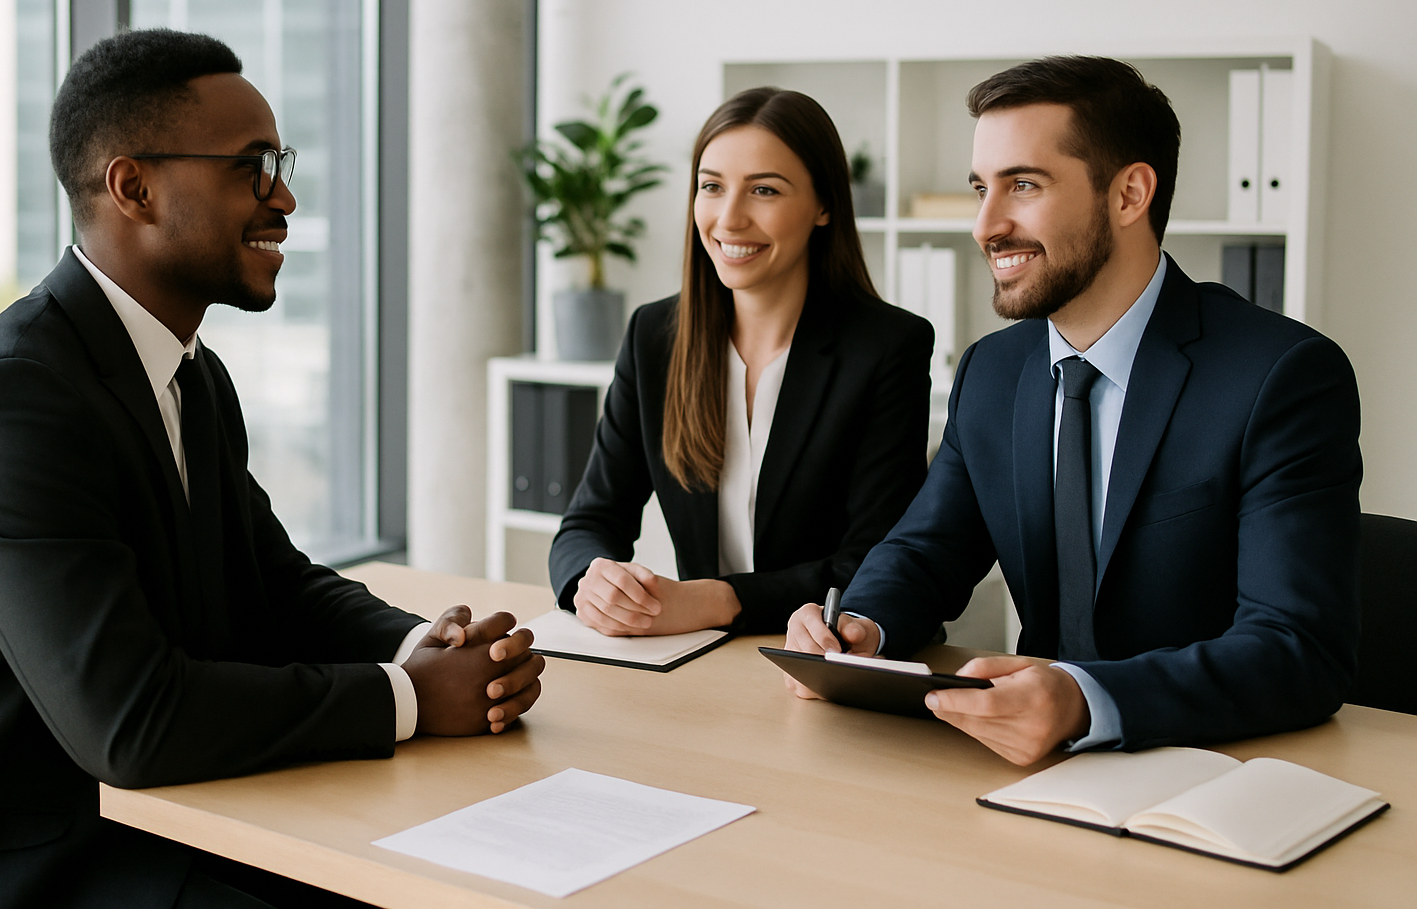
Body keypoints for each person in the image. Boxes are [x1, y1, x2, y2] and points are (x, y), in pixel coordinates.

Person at [0, 28, 545, 909]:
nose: (287, 199)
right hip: (22, 855)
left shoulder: (190, 370)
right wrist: (410, 699)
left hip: (156, 811)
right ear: (134, 187)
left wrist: (417, 644)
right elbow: (133, 723)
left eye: (280, 164)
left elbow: (275, 582)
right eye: (251, 167)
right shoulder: (14, 404)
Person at [785, 56, 1362, 765]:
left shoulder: (1280, 376)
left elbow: (1298, 648)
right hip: (1027, 768)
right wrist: (858, 629)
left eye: (1023, 185)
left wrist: (1087, 699)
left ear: (1129, 194)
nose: (985, 226)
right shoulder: (993, 372)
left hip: (1213, 772)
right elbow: (926, 550)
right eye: (980, 189)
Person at [550, 88, 935, 636]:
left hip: (832, 654)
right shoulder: (654, 336)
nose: (729, 219)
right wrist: (593, 582)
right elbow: (589, 521)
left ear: (824, 205)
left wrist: (716, 601)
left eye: (764, 190)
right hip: (700, 659)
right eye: (711, 187)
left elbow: (876, 563)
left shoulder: (888, 346)